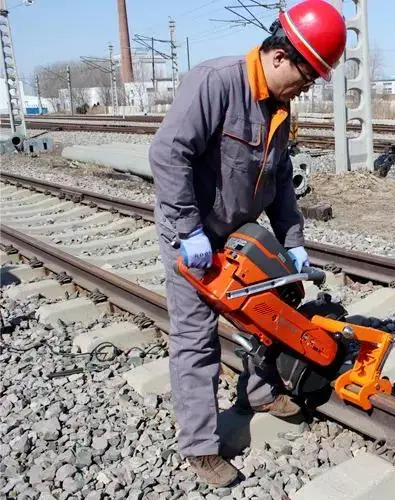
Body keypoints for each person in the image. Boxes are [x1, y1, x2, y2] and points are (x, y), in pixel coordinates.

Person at [148, 0, 347, 488]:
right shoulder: (216, 83)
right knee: (196, 339)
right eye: (307, 76)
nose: (307, 87)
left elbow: (279, 180)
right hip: (191, 229)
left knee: (264, 315)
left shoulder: (279, 108)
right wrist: (187, 230)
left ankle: (260, 393)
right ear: (281, 56)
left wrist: (293, 242)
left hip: (239, 231)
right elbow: (168, 153)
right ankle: (199, 445)